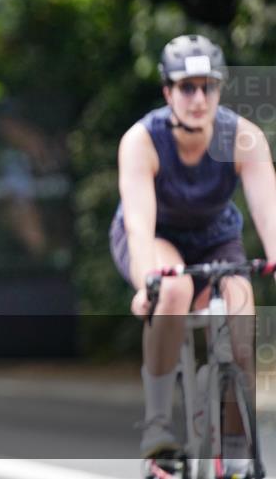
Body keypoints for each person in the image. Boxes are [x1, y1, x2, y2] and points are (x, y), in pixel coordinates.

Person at [110, 35, 276, 474]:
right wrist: (149, 280)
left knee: (242, 312)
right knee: (174, 289)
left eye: (208, 86)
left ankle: (237, 447)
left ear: (220, 90)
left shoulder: (243, 137)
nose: (198, 98)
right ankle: (159, 424)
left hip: (216, 239)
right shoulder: (142, 140)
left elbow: (269, 212)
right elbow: (139, 223)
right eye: (187, 87)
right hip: (156, 237)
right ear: (167, 91)